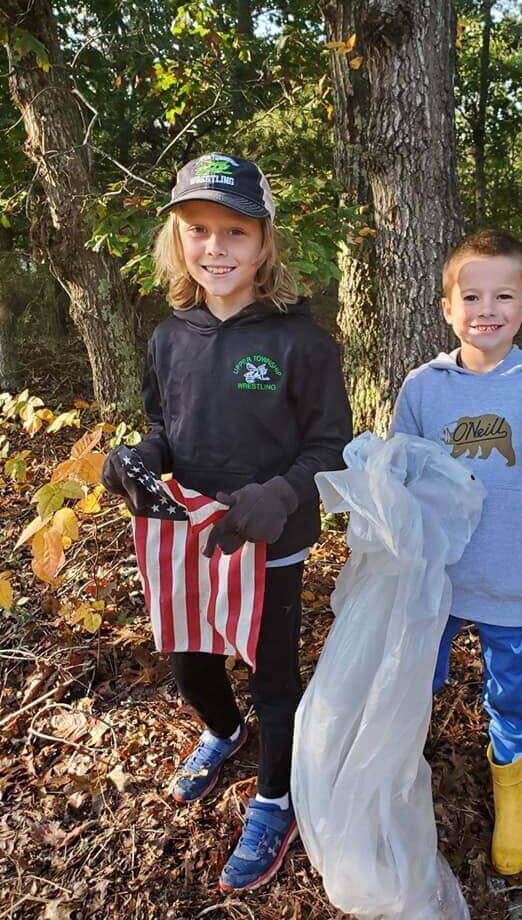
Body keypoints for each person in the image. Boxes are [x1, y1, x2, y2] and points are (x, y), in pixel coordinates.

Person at [102, 153, 353, 892]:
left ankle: (276, 799)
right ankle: (221, 731)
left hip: (270, 537)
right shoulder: (168, 337)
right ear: (177, 238)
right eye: (200, 229)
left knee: (272, 675)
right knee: (190, 660)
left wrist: (281, 493)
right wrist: (138, 458)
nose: (216, 248)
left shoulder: (300, 342)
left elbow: (331, 445)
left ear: (263, 241)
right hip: (191, 535)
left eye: (235, 232)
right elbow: (163, 427)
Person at [389, 228, 522, 876]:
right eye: (471, 296)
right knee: (415, 680)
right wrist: (386, 552)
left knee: (510, 689)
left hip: (507, 576)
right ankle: (395, 779)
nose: (486, 310)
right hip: (435, 579)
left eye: (503, 295)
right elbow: (395, 475)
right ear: (447, 307)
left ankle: (511, 792)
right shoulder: (422, 389)